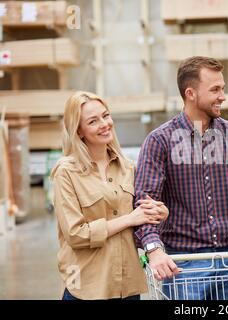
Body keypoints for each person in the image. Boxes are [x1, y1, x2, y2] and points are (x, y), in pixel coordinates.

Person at [134, 56, 228, 300]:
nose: (222, 96)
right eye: (215, 90)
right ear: (190, 93)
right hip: (184, 262)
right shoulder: (160, 141)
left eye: (222, 88)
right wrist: (153, 249)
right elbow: (145, 202)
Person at [51, 91, 169, 300]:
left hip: (127, 285)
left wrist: (161, 212)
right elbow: (75, 234)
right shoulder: (66, 172)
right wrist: (129, 219)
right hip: (88, 287)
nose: (105, 124)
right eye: (93, 121)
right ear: (79, 131)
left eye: (106, 116)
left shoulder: (128, 168)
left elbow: (142, 221)